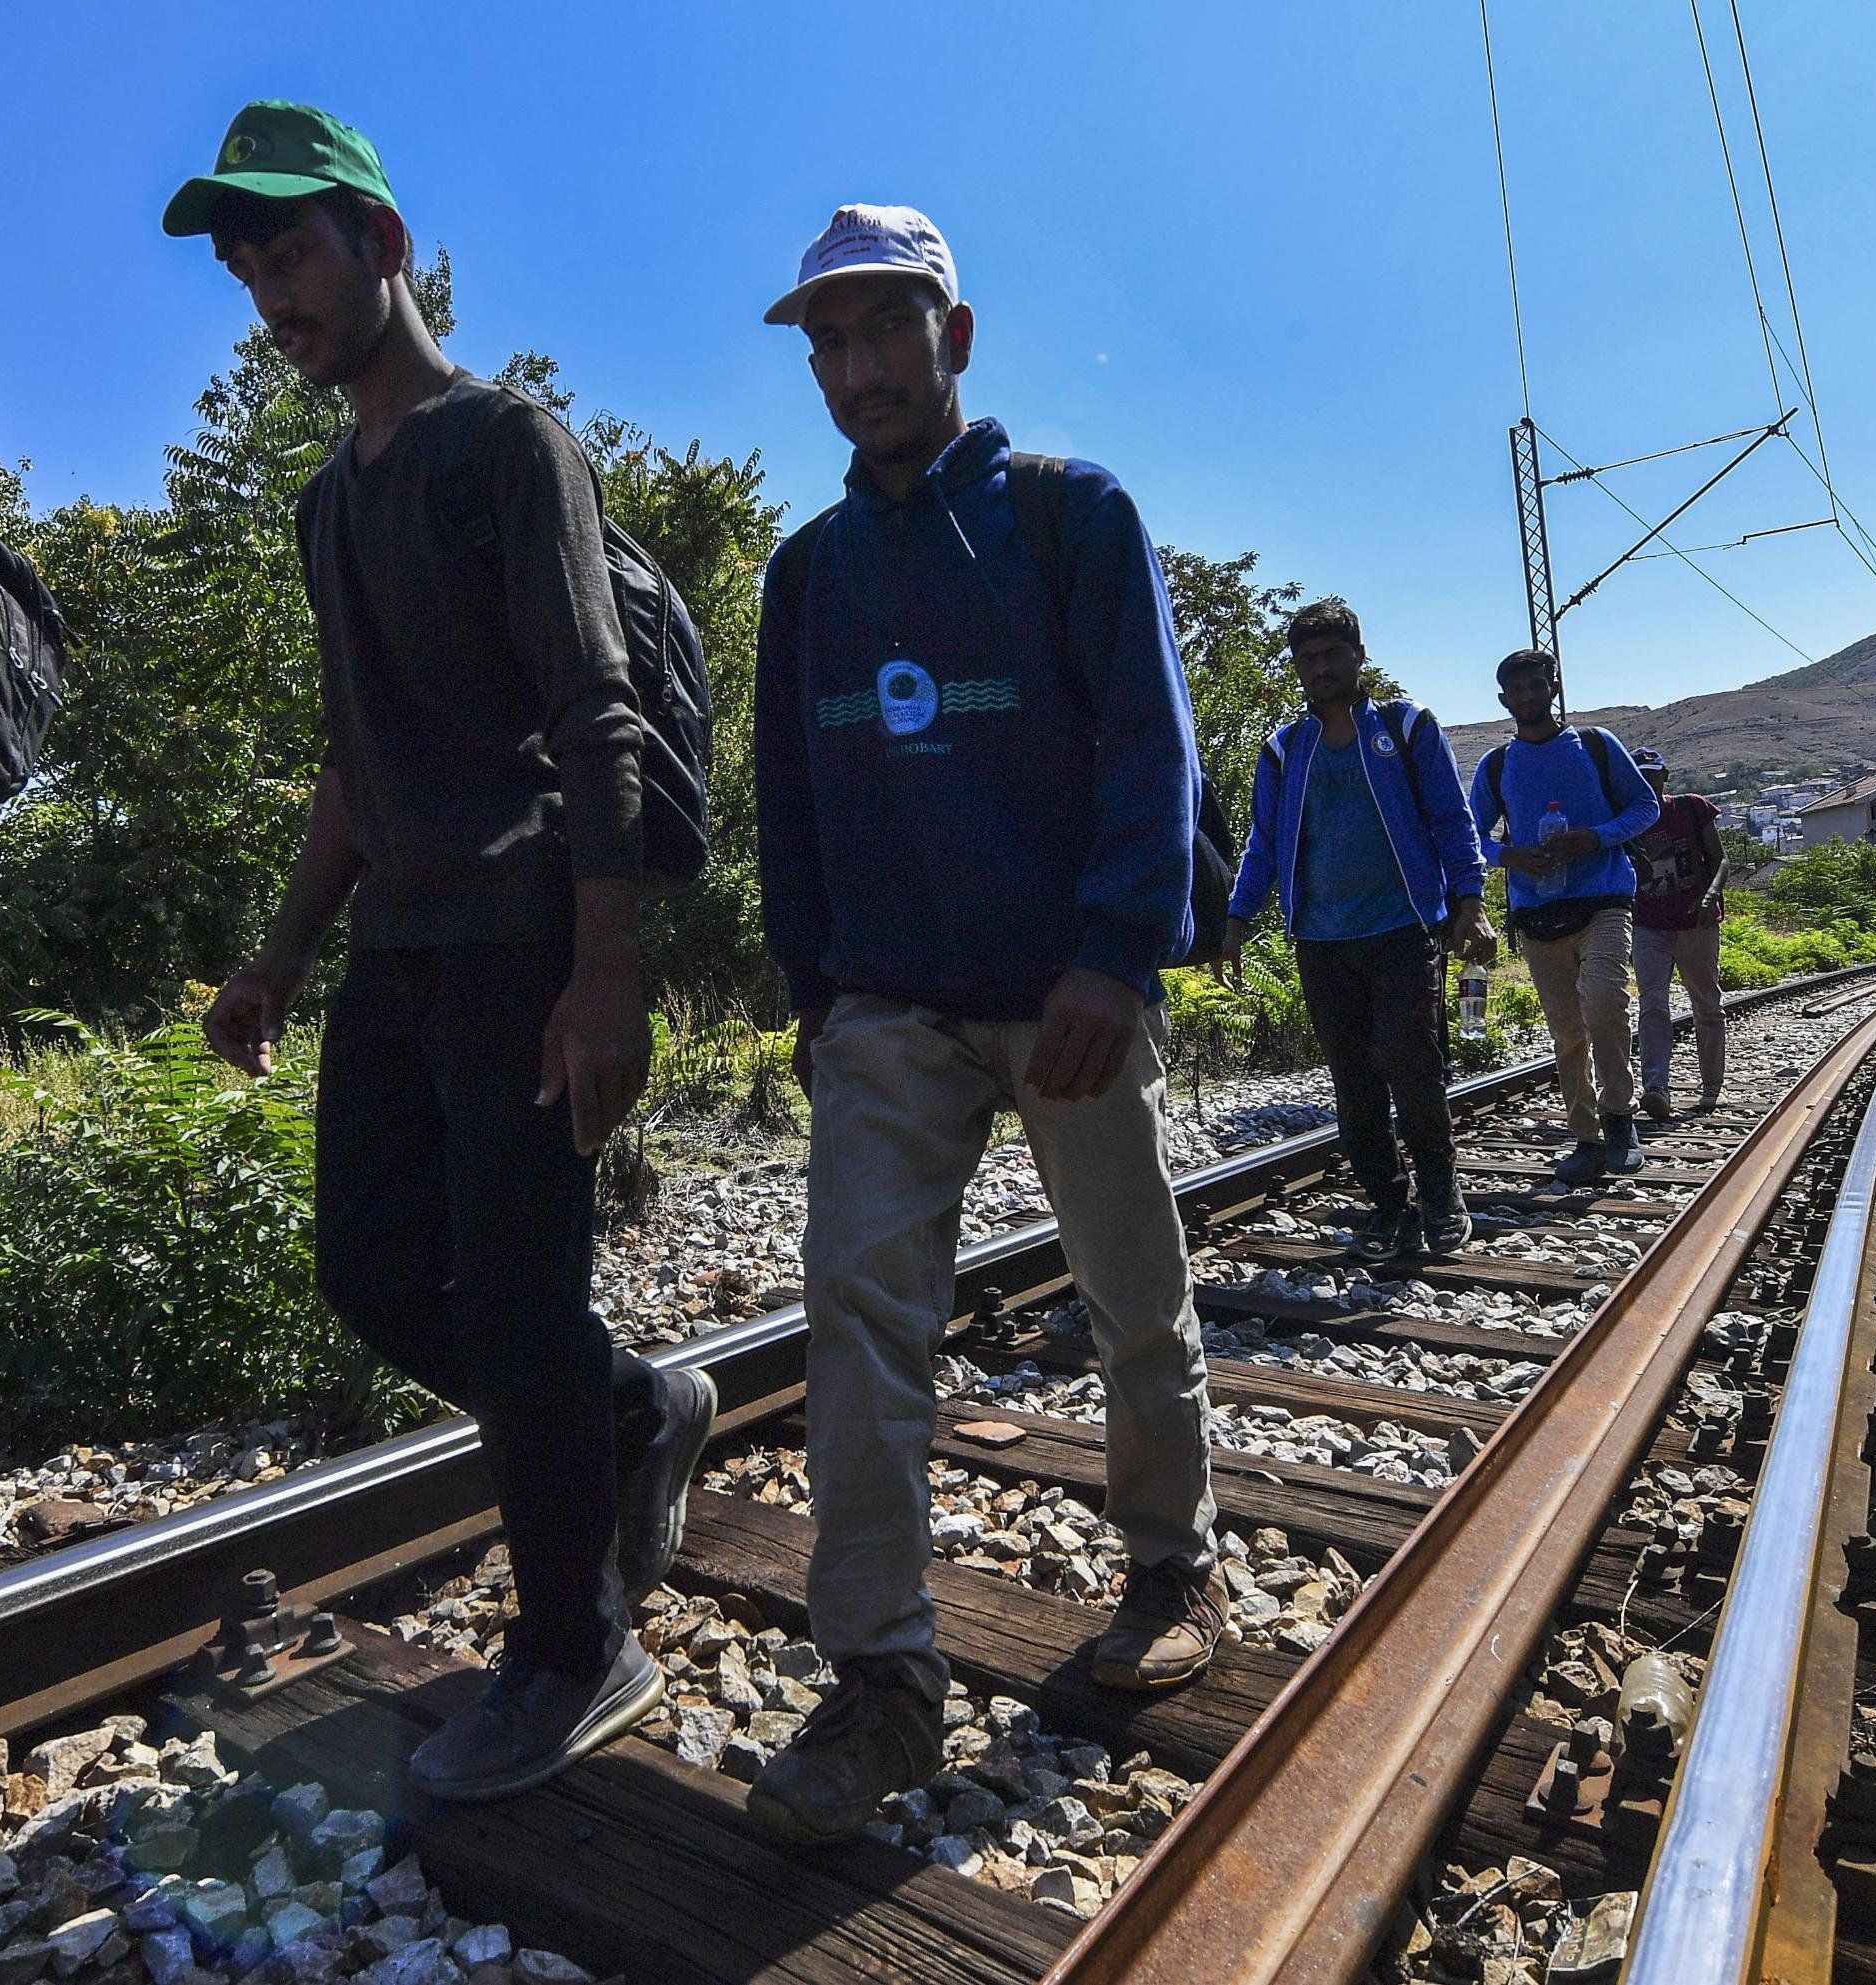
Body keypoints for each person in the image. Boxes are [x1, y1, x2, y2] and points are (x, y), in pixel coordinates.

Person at [176, 102, 715, 1803]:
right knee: (369, 1270)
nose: (272, 295)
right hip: (397, 948)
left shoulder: (507, 446)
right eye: (248, 269)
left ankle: (576, 1647)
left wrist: (607, 973)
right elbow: (354, 761)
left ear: (383, 244)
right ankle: (629, 1410)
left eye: (292, 252)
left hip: (521, 938)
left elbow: (597, 710)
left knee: (517, 1293)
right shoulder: (327, 505)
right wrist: (277, 956)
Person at [745, 203, 1224, 1846]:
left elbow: (1151, 745)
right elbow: (787, 801)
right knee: (856, 1314)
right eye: (830, 342)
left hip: (1065, 996)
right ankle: (882, 1674)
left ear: (953, 337)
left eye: (888, 328)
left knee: (1131, 1290)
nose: (859, 366)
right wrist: (813, 991)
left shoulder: (1067, 514)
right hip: (887, 1006)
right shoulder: (806, 573)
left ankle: (1169, 1563)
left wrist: (1116, 954)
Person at [1220, 599, 1494, 1262]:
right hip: (1321, 939)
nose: (1320, 668)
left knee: (1412, 1064)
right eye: (1307, 659)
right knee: (1352, 1080)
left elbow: (1451, 820)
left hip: (1402, 927)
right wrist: (1235, 919)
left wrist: (1470, 901)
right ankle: (1387, 1202)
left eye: (1332, 655)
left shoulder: (1406, 727)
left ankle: (1441, 1193)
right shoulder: (1285, 750)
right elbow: (1263, 843)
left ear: (1359, 657)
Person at [1467, 649, 1661, 1184]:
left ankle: (1619, 1118)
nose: (1528, 696)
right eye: (1517, 689)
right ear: (1504, 699)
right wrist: (1509, 856)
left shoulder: (1596, 745)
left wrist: (1596, 838)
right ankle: (1586, 1137)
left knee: (1604, 1003)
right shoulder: (1497, 765)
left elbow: (1645, 807)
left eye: (1537, 685)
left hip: (1604, 897)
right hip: (1537, 910)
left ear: (1553, 688)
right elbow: (1469, 836)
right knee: (1567, 1029)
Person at [1627, 749, 1726, 1121]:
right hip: (1648, 925)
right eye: (1638, 775)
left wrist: (1711, 895)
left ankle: (1711, 1087)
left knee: (1706, 1004)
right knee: (1652, 1004)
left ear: (1664, 775)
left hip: (1696, 924)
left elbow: (1720, 859)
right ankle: (1656, 1088)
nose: (1645, 781)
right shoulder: (1626, 822)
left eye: (1651, 774)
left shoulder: (1691, 808)